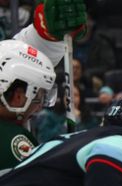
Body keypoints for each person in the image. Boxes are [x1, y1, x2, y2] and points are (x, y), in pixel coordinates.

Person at [0, 0, 87, 174]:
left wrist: (45, 38)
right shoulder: (9, 138)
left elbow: (10, 58)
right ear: (18, 97)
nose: (40, 106)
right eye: (39, 96)